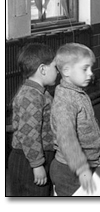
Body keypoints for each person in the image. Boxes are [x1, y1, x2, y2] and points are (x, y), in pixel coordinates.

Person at [50, 43, 100, 196]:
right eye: (85, 69)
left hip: (80, 166)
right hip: (69, 170)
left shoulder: (76, 92)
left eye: (91, 68)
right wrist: (81, 169)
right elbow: (66, 138)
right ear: (66, 70)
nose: (90, 73)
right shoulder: (65, 100)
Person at [8, 43, 58, 196]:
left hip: (38, 156)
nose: (58, 71)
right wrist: (37, 165)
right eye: (55, 67)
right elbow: (29, 134)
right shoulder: (31, 96)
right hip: (28, 161)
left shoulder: (41, 93)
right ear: (42, 69)